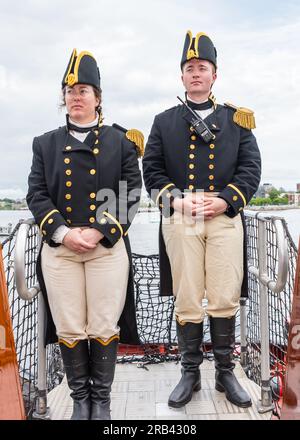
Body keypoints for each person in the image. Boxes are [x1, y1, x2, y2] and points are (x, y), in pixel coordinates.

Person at [143, 31, 261, 409]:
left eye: (203, 68)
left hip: (224, 218)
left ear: (214, 75)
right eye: (189, 68)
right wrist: (176, 200)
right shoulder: (163, 122)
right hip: (182, 219)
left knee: (225, 294)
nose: (196, 74)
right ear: (182, 77)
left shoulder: (237, 120)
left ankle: (225, 373)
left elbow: (250, 169)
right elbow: (152, 171)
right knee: (189, 295)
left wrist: (226, 200)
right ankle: (189, 372)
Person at [27, 49, 143, 420]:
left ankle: (101, 400)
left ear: (98, 98)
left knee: (104, 323)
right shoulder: (44, 144)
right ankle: (81, 399)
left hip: (105, 248)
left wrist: (97, 231)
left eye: (84, 90)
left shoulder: (122, 143)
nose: (76, 96)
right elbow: (37, 194)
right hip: (60, 249)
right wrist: (62, 231)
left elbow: (130, 193)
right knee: (70, 324)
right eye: (70, 90)